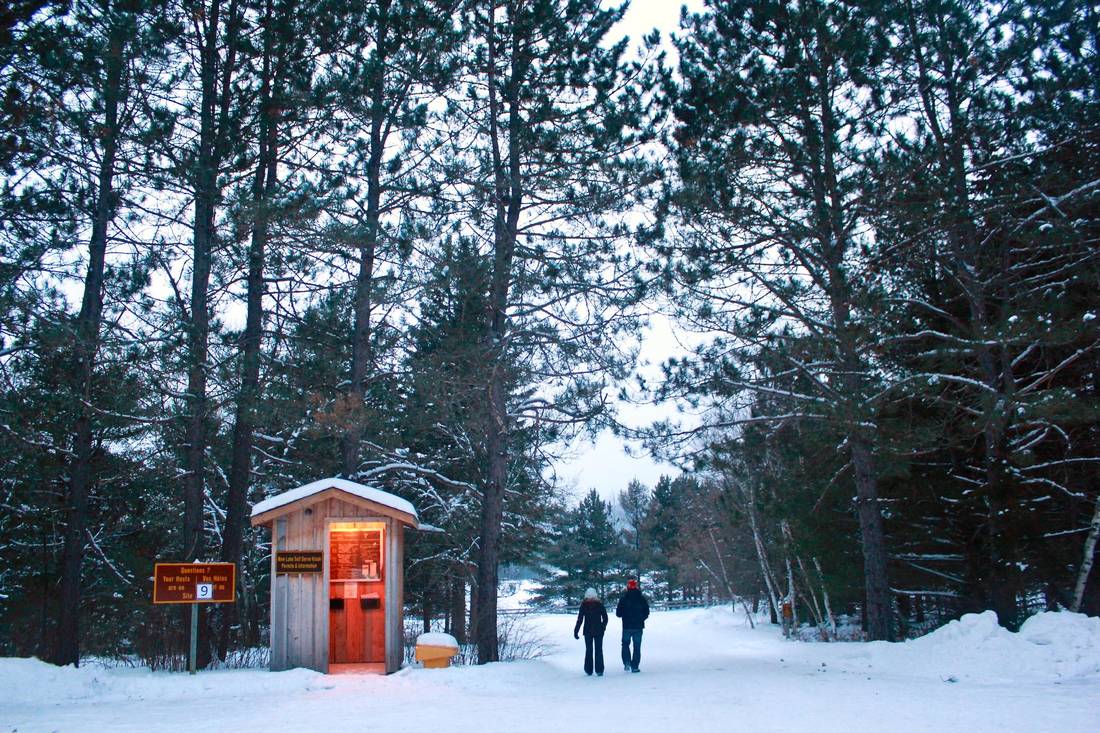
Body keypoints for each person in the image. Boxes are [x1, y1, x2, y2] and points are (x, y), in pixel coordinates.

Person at [615, 578, 649, 673]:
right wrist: (641, 619)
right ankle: (635, 666)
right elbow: (647, 612)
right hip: (638, 626)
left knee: (625, 644)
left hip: (627, 626)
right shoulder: (641, 598)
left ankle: (626, 662)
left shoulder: (623, 599)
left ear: (628, 587)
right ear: (636, 587)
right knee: (637, 646)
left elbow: (618, 613)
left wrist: (625, 616)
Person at [573, 587, 608, 676]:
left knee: (590, 650)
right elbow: (605, 618)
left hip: (589, 631)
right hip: (597, 631)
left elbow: (580, 619)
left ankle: (589, 669)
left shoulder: (584, 605)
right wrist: (603, 627)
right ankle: (599, 669)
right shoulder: (599, 605)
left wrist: (576, 631)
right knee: (598, 650)